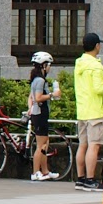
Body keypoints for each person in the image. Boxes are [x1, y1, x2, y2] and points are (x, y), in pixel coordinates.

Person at [74, 32, 103, 191]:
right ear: (97, 46)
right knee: (94, 146)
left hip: (82, 110)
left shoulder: (79, 63)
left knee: (83, 145)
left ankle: (80, 179)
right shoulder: (96, 66)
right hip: (94, 111)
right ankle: (90, 180)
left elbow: (89, 84)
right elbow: (98, 89)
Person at [27, 51, 60, 181]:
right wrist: (53, 95)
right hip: (40, 114)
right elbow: (38, 97)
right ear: (44, 65)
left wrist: (30, 108)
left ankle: (45, 171)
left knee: (45, 143)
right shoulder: (40, 80)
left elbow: (31, 97)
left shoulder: (36, 80)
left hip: (39, 113)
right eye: (49, 65)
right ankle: (35, 172)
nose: (50, 67)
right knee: (40, 145)